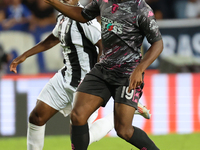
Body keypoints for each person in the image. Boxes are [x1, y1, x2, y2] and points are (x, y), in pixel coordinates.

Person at [9, 0, 150, 149]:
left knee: (81, 138)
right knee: (36, 117)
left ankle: (124, 112)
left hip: (85, 82)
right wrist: (24, 55)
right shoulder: (62, 16)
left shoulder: (85, 19)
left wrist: (98, 76)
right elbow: (53, 39)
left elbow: (103, 44)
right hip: (65, 78)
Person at [44, 0, 163, 149]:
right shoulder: (103, 1)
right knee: (77, 115)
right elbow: (83, 15)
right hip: (103, 68)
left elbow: (158, 43)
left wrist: (139, 69)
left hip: (127, 73)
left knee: (124, 130)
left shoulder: (142, 9)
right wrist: (54, 3)